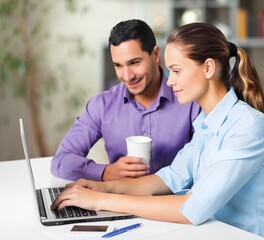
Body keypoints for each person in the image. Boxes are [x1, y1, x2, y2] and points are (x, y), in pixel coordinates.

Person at [51, 22, 264, 240]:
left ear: (208, 68)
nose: (170, 82)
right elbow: (170, 177)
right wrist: (103, 186)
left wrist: (99, 200)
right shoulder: (206, 121)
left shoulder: (247, 127)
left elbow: (193, 208)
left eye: (176, 70)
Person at [51, 19, 201, 181]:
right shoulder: (102, 105)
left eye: (134, 62)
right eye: (118, 66)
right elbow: (61, 161)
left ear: (156, 55)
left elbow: (206, 163)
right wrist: (105, 172)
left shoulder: (190, 101)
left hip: (173, 203)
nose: (127, 76)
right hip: (118, 204)